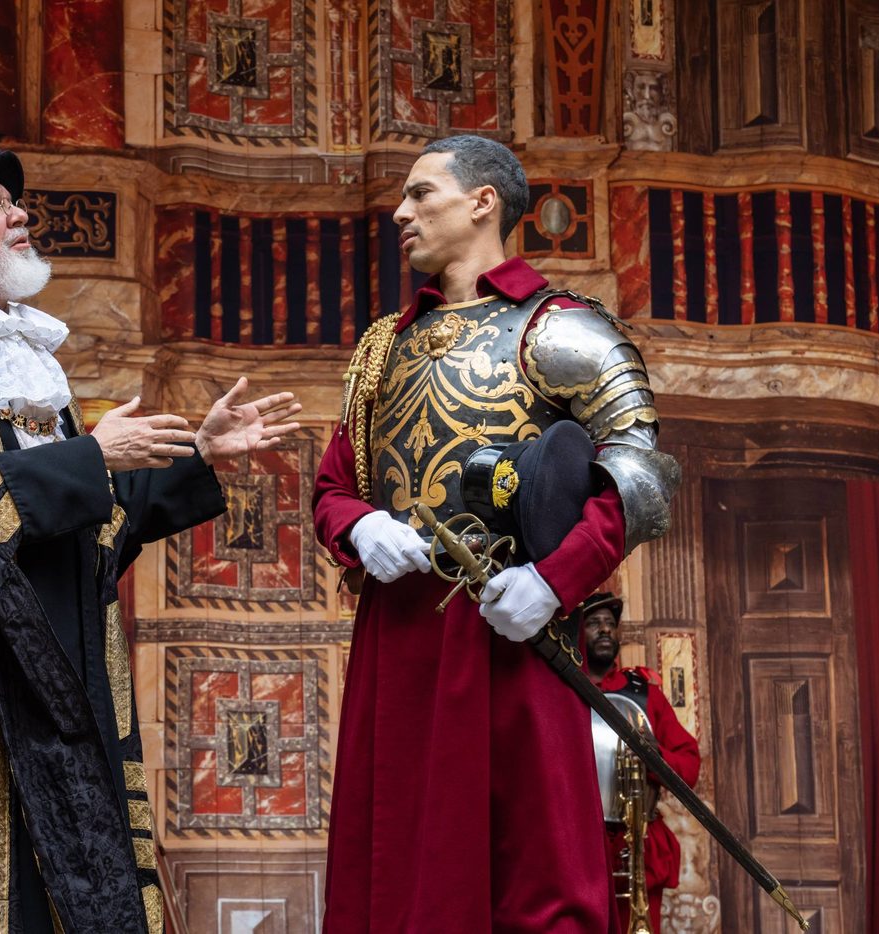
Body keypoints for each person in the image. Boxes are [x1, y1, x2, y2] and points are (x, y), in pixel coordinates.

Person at [0, 140, 301, 933]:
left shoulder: (31, 368)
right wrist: (92, 455)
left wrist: (192, 455)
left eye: (15, 202)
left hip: (63, 668)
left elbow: (89, 523)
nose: (21, 215)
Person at [312, 134, 679, 933]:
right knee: (393, 870)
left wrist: (555, 581)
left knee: (535, 873)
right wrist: (363, 525)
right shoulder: (382, 349)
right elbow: (333, 486)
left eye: (421, 194)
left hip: (515, 631)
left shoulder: (563, 328)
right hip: (399, 637)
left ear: (483, 202)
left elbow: (643, 479)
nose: (400, 213)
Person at [581, 592, 700, 934]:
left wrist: (655, 756)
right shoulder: (562, 691)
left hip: (638, 843)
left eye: (609, 624)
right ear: (577, 632)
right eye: (593, 623)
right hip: (581, 837)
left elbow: (689, 766)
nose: (605, 630)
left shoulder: (646, 695)